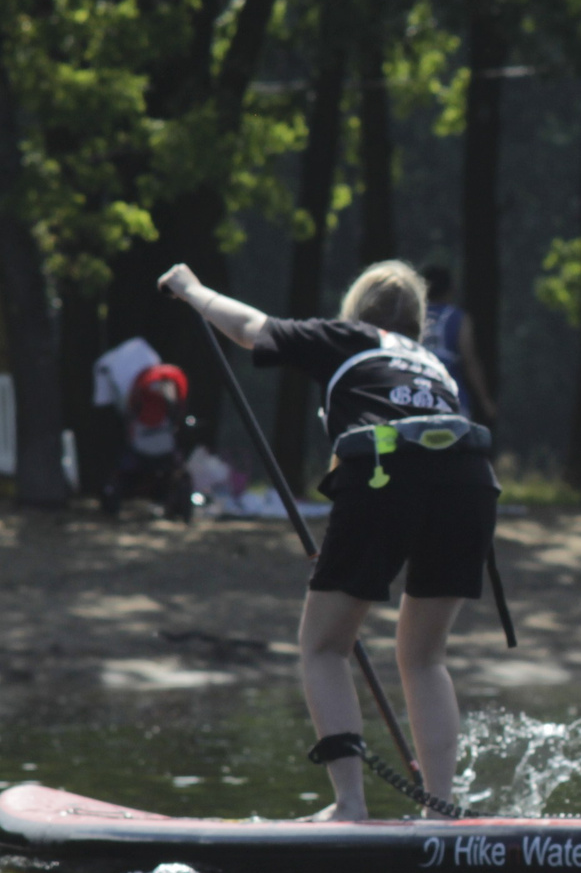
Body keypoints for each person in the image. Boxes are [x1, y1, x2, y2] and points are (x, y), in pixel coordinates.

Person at [157, 258, 497, 819]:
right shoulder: (434, 365)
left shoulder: (349, 337)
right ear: (417, 324)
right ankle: (441, 812)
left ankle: (349, 805)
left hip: (389, 478)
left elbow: (251, 329)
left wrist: (192, 291)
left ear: (357, 312)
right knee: (424, 656)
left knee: (323, 646)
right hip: (472, 483)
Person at [100, 360, 195, 520]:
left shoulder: (143, 404)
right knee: (181, 475)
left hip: (145, 451)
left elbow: (129, 419)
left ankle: (113, 507)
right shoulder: (167, 408)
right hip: (158, 452)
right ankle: (180, 511)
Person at [420, 266, 494, 423]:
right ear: (449, 290)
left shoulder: (413, 317)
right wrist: (485, 401)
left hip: (417, 396)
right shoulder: (458, 317)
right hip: (452, 397)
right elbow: (469, 360)